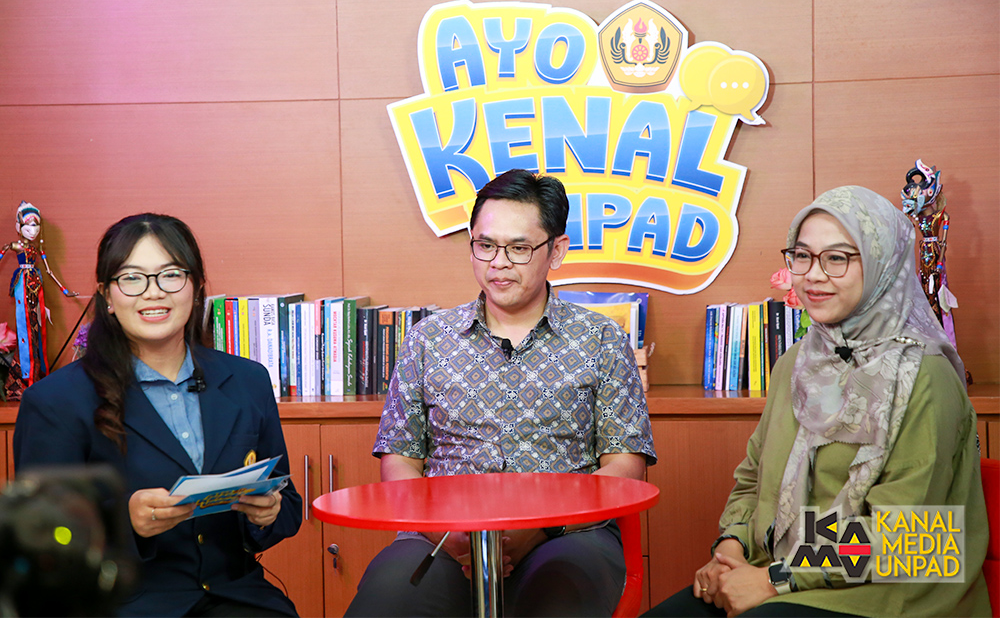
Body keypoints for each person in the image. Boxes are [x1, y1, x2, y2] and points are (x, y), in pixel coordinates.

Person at [645, 186, 990, 617]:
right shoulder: (797, 361)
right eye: (802, 256)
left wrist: (774, 579)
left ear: (882, 265)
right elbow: (754, 478)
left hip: (891, 591)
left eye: (837, 258)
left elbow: (904, 535)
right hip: (780, 570)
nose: (813, 275)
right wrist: (730, 549)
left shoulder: (924, 375)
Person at [346, 169, 657, 617]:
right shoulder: (427, 340)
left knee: (557, 602)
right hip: (441, 539)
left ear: (556, 250)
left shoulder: (601, 339)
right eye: (486, 245)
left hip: (568, 536)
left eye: (519, 248)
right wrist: (447, 536)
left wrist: (541, 528)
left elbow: (625, 467)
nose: (499, 262)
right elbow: (400, 460)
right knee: (386, 602)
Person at [13, 213, 302, 617]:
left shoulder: (247, 380)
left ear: (196, 287)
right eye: (132, 278)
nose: (153, 293)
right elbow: (38, 542)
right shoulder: (55, 401)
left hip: (238, 598)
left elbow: (287, 505)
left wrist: (267, 514)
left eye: (171, 275)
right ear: (107, 296)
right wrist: (124, 522)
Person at [0, 200, 78, 396]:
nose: (33, 230)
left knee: (37, 327)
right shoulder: (16, 246)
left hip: (36, 282)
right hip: (23, 282)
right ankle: (25, 376)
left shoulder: (37, 249)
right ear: (19, 227)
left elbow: (49, 270)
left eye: (36, 225)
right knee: (24, 325)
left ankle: (37, 374)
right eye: (28, 226)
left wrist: (64, 290)